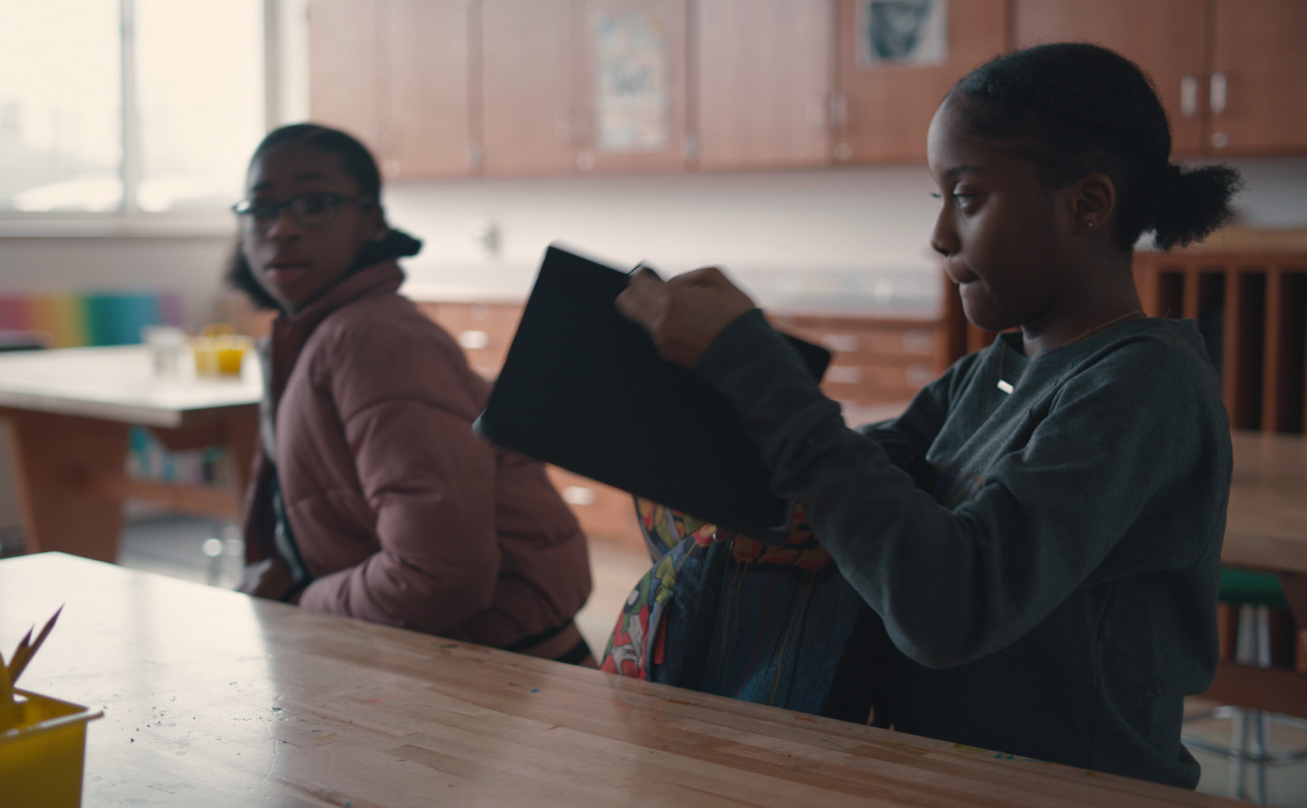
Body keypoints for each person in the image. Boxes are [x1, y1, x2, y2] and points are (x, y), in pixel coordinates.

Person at [615, 43, 1241, 787]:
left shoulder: (1145, 384)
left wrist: (755, 366)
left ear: (1087, 205)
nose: (940, 236)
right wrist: (692, 393)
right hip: (939, 778)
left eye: (966, 197)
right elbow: (846, 493)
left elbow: (949, 608)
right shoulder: (986, 376)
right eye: (937, 200)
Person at [229, 123, 594, 665]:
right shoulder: (320, 332)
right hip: (428, 658)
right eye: (261, 208)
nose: (281, 228)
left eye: (315, 204)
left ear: (373, 221)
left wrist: (298, 603)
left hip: (502, 676)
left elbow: (438, 573)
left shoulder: (373, 338)